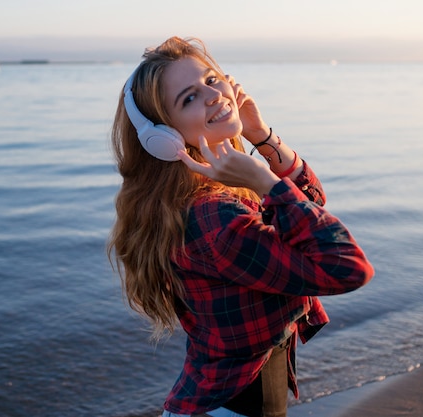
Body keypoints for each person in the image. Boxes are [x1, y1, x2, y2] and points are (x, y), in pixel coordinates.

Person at [108, 36, 374, 417]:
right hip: (229, 408)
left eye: (212, 81)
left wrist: (260, 136)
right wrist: (267, 183)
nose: (213, 95)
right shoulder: (213, 218)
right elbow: (347, 266)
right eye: (189, 98)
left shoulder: (213, 193)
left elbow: (308, 208)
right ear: (164, 138)